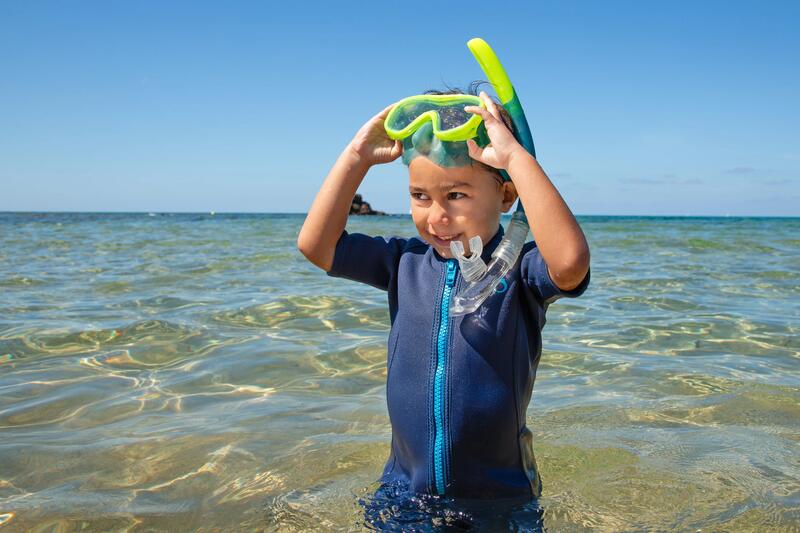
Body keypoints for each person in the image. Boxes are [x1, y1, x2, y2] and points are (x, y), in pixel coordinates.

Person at [297, 88, 590, 506]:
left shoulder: (519, 271)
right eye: (420, 196)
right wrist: (356, 155)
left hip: (498, 499)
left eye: (456, 195)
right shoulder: (403, 262)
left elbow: (570, 262)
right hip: (403, 491)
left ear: (507, 196)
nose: (436, 216)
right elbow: (316, 245)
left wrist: (515, 160)